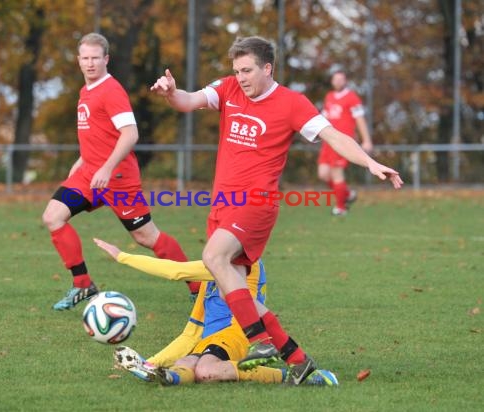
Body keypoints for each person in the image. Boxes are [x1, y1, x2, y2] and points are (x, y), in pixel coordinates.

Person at [150, 36, 403, 382]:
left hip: (256, 204)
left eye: (248, 70)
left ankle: (259, 340)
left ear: (267, 68)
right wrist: (169, 92)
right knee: (234, 289)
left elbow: (334, 136)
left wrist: (370, 163)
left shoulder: (291, 103)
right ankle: (297, 359)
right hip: (222, 207)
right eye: (237, 70)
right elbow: (188, 100)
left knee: (214, 258)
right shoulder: (228, 90)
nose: (241, 77)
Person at [42, 33, 199, 311]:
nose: (90, 63)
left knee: (146, 237)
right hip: (90, 174)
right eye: (85, 58)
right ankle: (83, 285)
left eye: (95, 58)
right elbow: (99, 133)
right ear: (79, 60)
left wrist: (106, 167)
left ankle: (199, 288)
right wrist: (83, 160)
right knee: (53, 217)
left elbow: (130, 134)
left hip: (117, 179)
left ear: (106, 60)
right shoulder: (85, 91)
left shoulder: (111, 91)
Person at [93, 238, 338, 387]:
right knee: (185, 362)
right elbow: (190, 335)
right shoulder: (212, 274)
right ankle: (162, 376)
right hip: (213, 339)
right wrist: (150, 363)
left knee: (206, 370)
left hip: (240, 333)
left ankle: (290, 375)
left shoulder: (241, 263)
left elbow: (175, 271)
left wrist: (122, 256)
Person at [318, 69, 374, 215]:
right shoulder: (329, 96)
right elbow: (324, 119)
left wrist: (366, 140)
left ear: (345, 81)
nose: (337, 82)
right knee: (323, 174)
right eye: (335, 79)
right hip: (328, 141)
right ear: (332, 81)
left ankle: (341, 208)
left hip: (342, 141)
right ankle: (347, 194)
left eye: (340, 79)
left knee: (337, 172)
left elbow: (360, 119)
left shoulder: (352, 97)